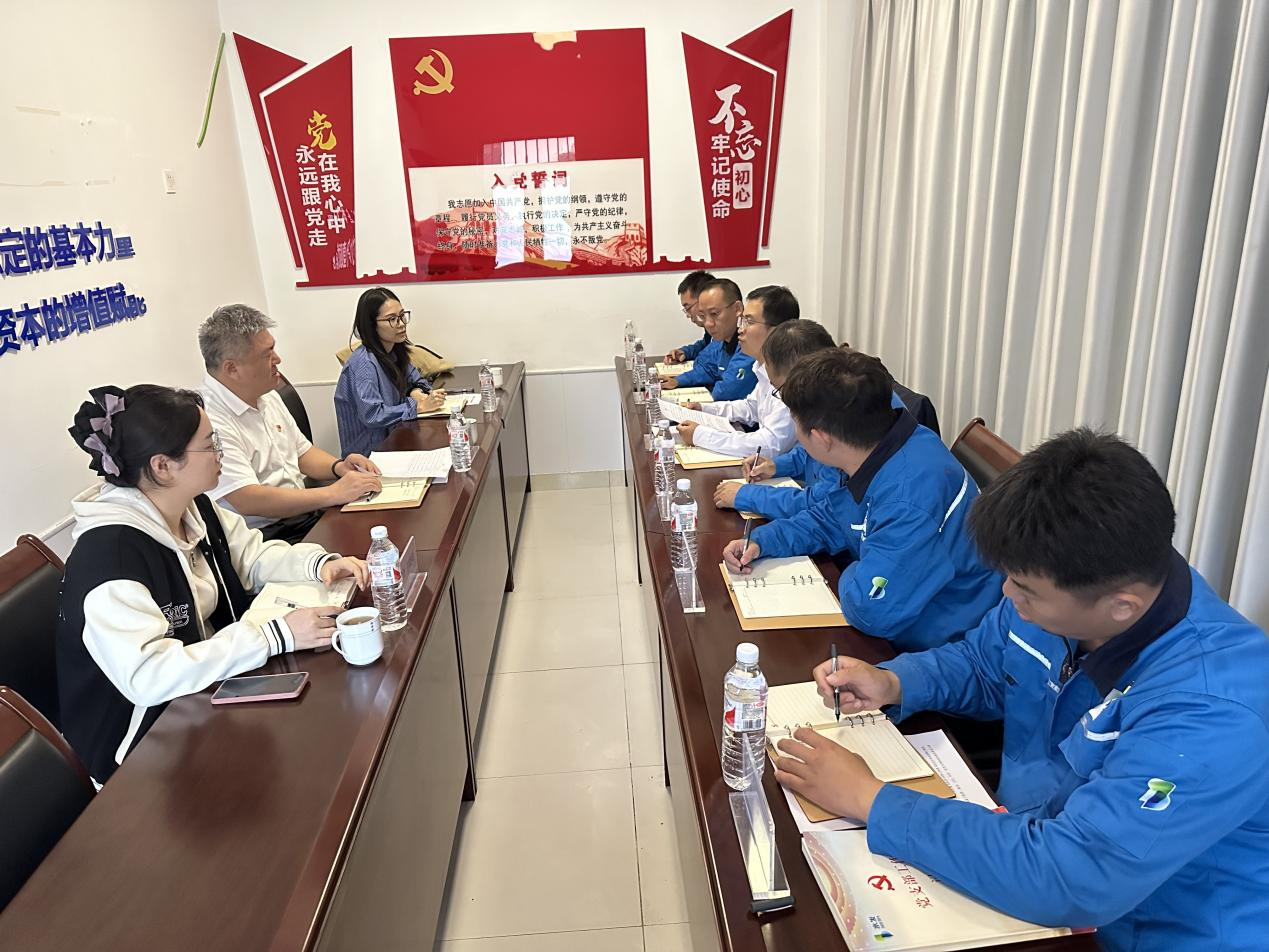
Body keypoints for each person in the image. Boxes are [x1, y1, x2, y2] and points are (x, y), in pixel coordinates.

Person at [775, 430, 1269, 951]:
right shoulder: (1070, 584)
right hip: (1021, 849)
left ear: (1120, 606)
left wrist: (869, 799)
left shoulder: (1212, 710)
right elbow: (985, 663)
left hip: (1143, 930)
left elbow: (1074, 873)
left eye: (1025, 590)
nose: (1007, 593)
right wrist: (895, 682)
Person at [58, 385, 369, 784]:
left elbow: (251, 556)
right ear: (163, 466)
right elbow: (149, 676)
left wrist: (318, 564)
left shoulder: (193, 505)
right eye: (210, 445)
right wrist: (272, 637)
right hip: (142, 747)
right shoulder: (111, 558)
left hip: (206, 692)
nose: (221, 453)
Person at [723, 348, 1000, 650]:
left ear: (822, 439)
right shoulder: (881, 444)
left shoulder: (909, 497)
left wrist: (855, 569)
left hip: (938, 645)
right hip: (907, 616)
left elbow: (871, 611)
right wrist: (763, 541)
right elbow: (830, 517)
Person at [198, 304, 383, 544]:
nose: (278, 359)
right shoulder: (207, 419)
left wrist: (339, 467)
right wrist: (333, 493)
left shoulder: (266, 393)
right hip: (261, 537)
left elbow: (301, 452)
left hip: (301, 516)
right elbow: (248, 499)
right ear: (232, 368)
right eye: (267, 355)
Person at [715, 348, 941, 519]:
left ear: (821, 438)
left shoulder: (903, 499)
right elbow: (831, 520)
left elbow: (825, 504)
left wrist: (748, 496)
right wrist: (777, 466)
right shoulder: (857, 429)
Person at [677, 298, 809, 457]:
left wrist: (700, 436)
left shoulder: (790, 376)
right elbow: (751, 407)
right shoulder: (763, 367)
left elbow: (771, 444)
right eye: (742, 321)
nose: (740, 329)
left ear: (777, 331)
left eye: (749, 322)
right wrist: (704, 409)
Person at [335, 287, 447, 457]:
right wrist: (418, 406)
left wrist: (415, 391)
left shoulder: (394, 351)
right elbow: (373, 415)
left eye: (402, 316)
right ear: (371, 325)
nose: (401, 324)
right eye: (392, 319)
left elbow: (418, 380)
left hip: (396, 441)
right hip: (370, 457)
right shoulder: (363, 365)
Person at [661, 278, 756, 401]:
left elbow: (725, 392)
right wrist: (677, 381)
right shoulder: (722, 340)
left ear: (737, 309)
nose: (708, 323)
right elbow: (707, 368)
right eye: (702, 316)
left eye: (714, 314)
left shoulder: (751, 345)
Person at [663, 270, 715, 365]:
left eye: (688, 308)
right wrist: (685, 352)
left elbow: (711, 356)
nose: (688, 315)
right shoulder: (711, 328)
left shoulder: (729, 329)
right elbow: (706, 344)